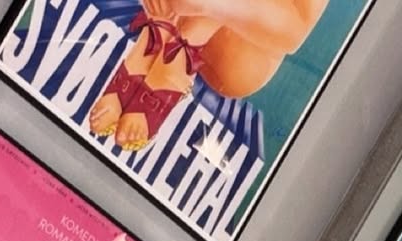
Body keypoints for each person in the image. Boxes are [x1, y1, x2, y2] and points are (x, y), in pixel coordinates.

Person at [89, 0, 329, 150]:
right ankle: (158, 33)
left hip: (240, 50)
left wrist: (210, 5)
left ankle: (181, 52)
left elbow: (292, 34)